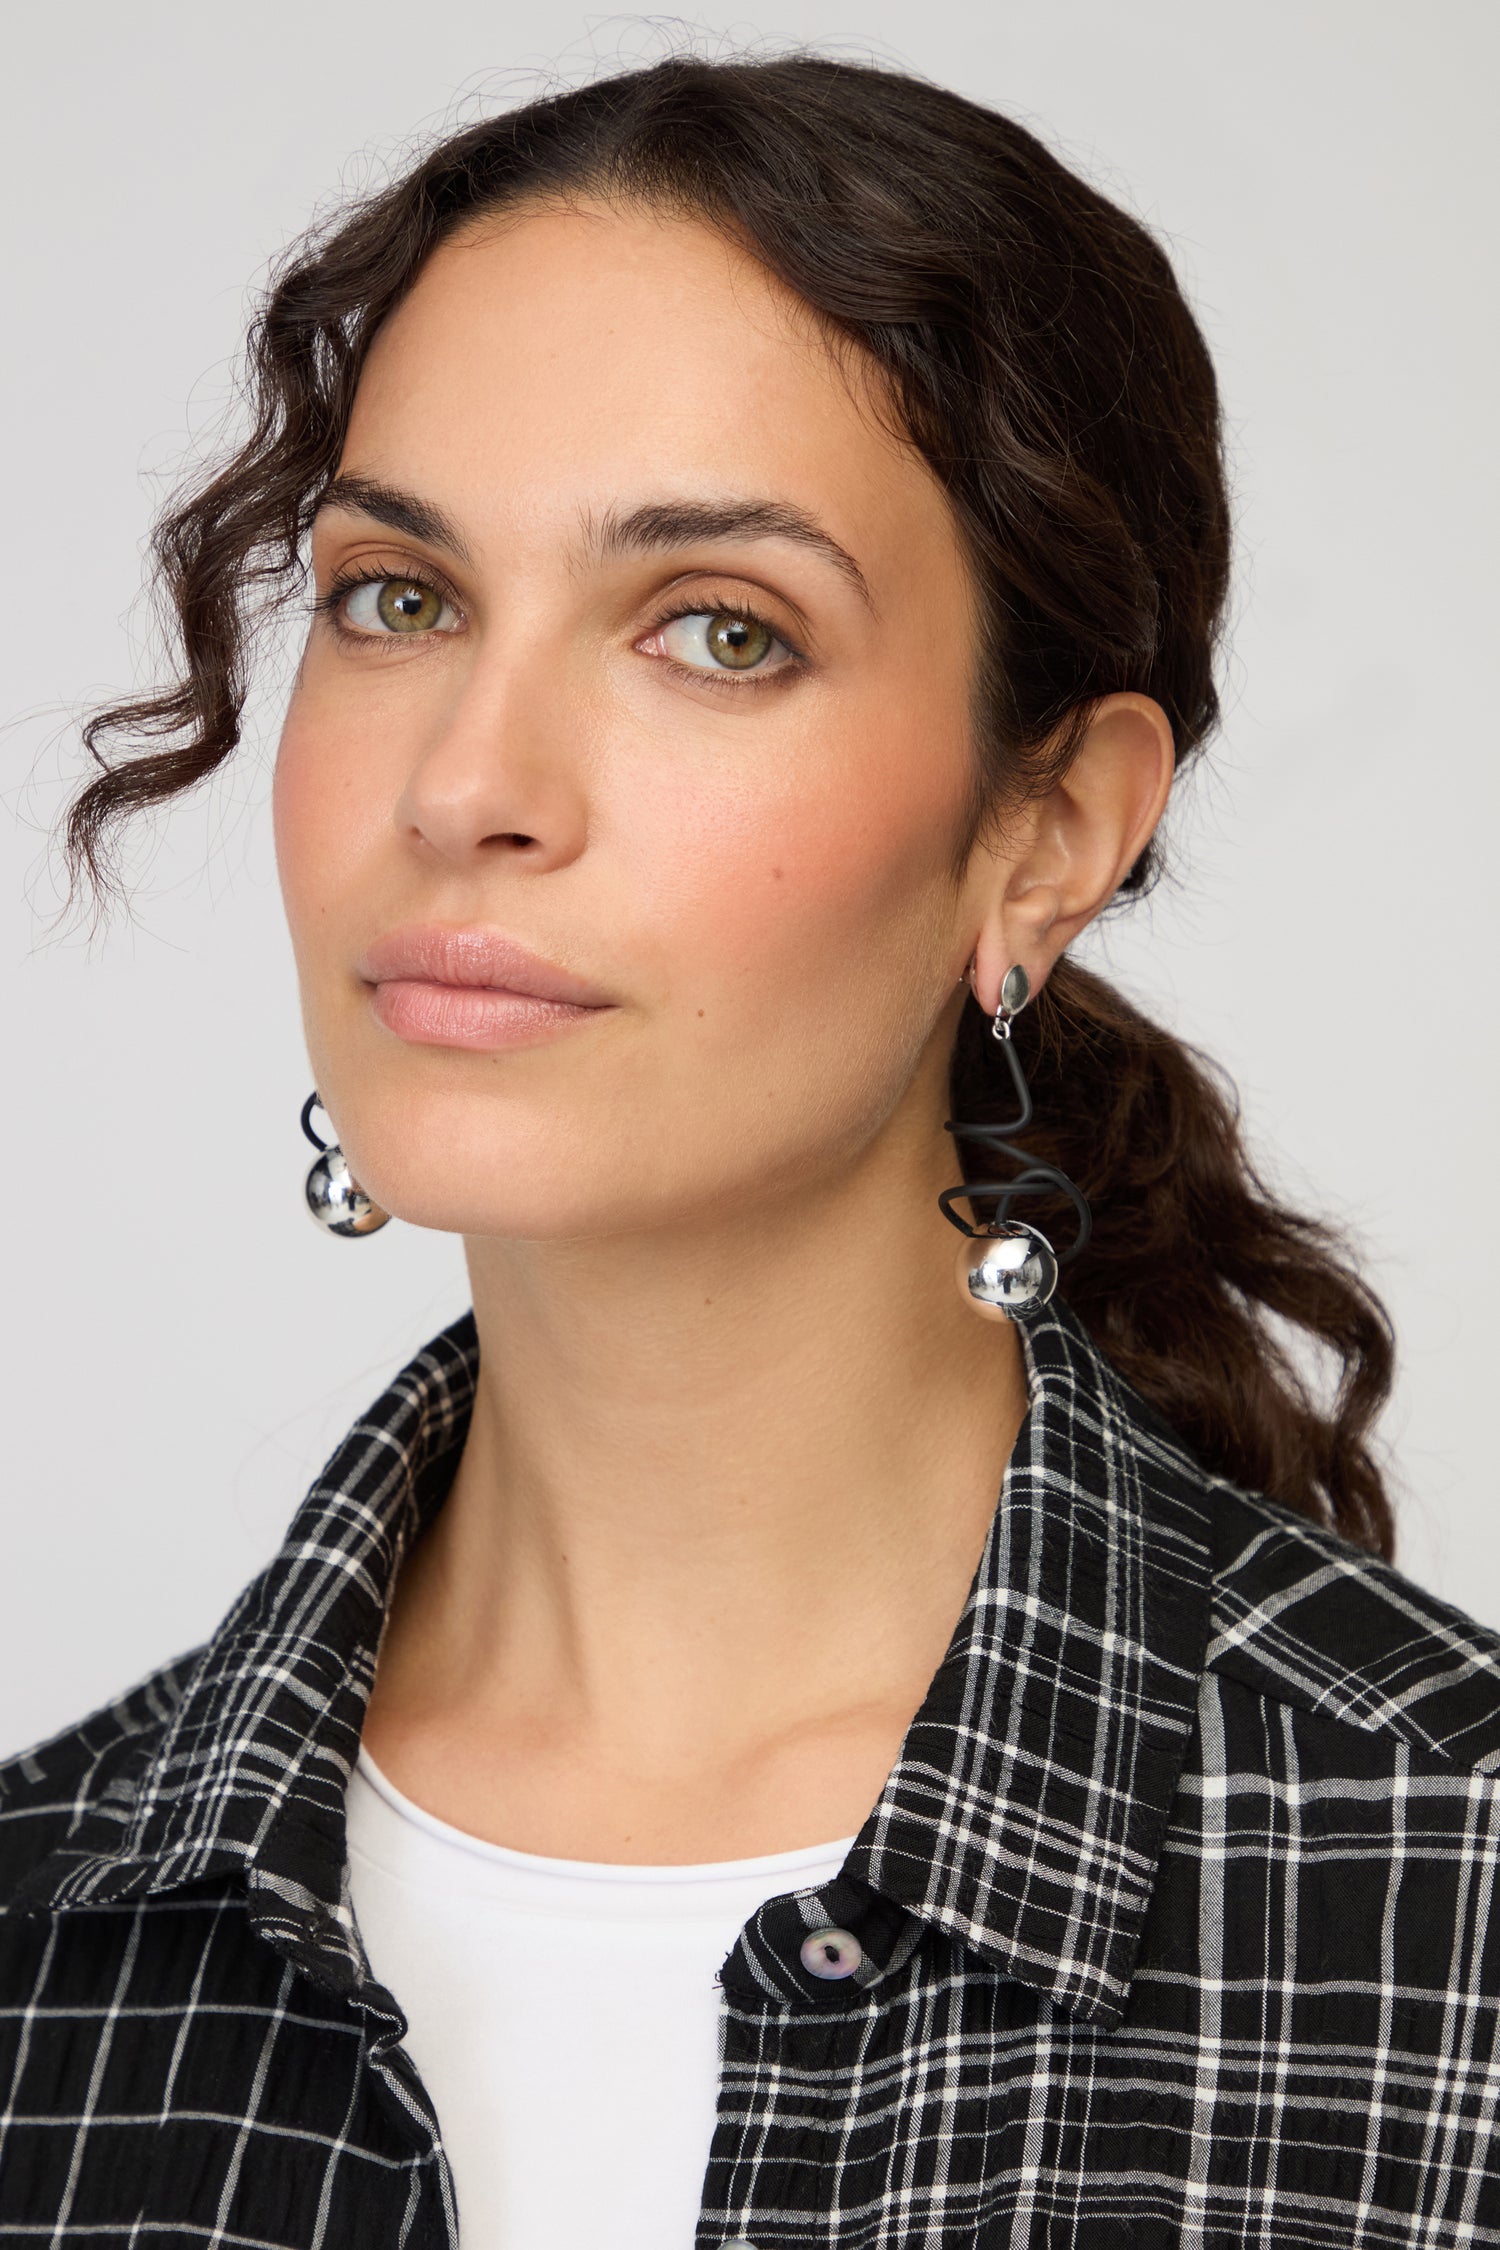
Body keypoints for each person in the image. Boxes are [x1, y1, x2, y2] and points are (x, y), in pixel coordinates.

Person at [2, 48, 1496, 2250]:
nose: (470, 786)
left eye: (719, 631)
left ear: (1049, 831)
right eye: (400, 598)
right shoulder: (44, 1934)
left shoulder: (1447, 1896)